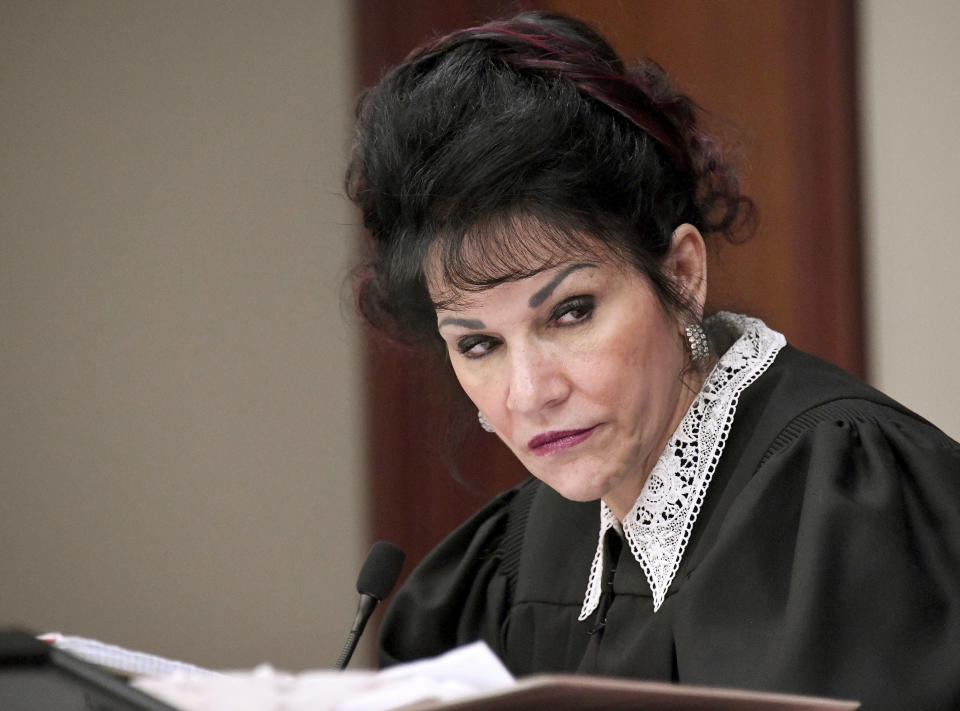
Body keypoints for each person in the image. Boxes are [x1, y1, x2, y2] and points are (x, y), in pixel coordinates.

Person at [345, 11, 960, 710]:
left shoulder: (847, 499)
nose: (529, 392)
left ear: (683, 274)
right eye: (478, 344)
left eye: (570, 312)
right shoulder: (516, 558)